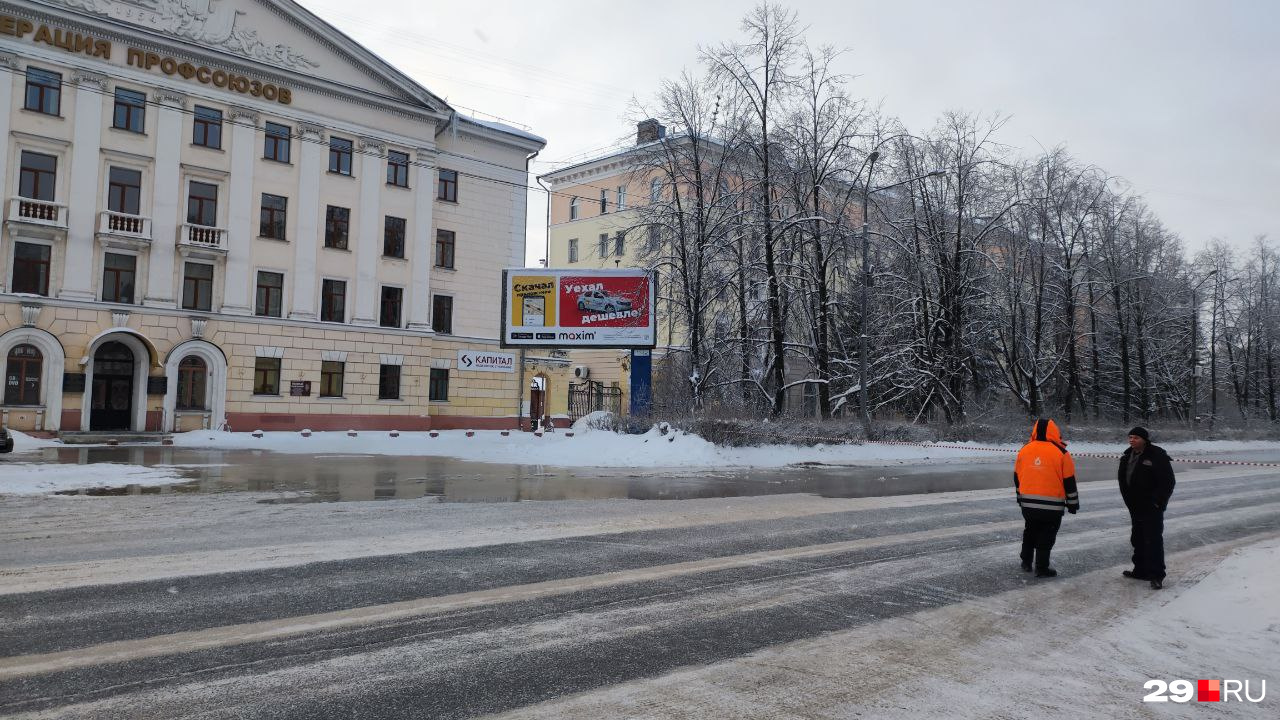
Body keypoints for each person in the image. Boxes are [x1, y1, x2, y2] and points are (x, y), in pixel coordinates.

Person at [1014, 418, 1080, 577]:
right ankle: (1042, 567)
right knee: (1046, 535)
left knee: (1030, 531)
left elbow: (1017, 477)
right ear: (1055, 432)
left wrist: (1020, 497)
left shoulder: (1024, 450)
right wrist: (1073, 504)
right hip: (1052, 506)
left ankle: (1026, 562)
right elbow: (1069, 481)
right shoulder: (1062, 453)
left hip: (1028, 504)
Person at [1118, 426, 1176, 589]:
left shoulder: (1156, 455)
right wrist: (1129, 501)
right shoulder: (1127, 456)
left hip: (1152, 507)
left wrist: (1158, 502)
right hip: (1135, 506)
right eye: (1130, 437)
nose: (1132, 440)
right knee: (1137, 538)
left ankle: (1157, 575)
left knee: (1153, 540)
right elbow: (1123, 480)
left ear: (1144, 439)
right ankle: (1140, 570)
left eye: (1136, 437)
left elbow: (1168, 482)